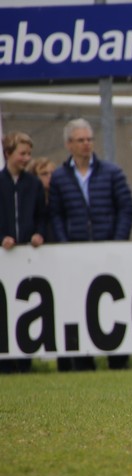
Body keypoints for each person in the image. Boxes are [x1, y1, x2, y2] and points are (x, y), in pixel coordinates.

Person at [48, 118, 132, 370]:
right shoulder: (60, 177)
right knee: (79, 305)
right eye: (80, 140)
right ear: (69, 144)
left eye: (89, 139)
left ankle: (118, 360)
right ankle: (84, 361)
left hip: (108, 251)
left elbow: (126, 208)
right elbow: (55, 214)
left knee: (113, 303)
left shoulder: (112, 172)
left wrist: (117, 242)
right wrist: (65, 244)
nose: (86, 144)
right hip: (76, 254)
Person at [1, 132, 46, 374]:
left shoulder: (34, 184)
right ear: (8, 153)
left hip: (27, 259)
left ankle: (26, 362)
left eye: (29, 154)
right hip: (4, 259)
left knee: (25, 305)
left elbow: (42, 216)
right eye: (22, 154)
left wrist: (39, 234)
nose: (26, 159)